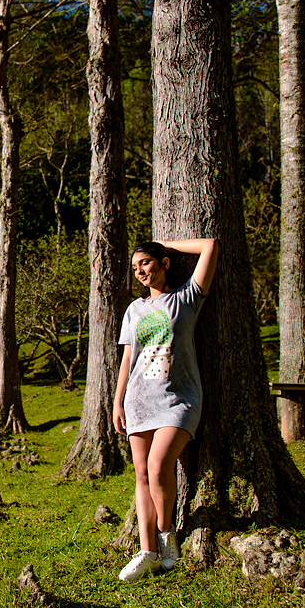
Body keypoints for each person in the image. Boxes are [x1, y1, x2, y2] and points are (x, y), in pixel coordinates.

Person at [112, 237, 218, 582]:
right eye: (135, 268)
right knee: (141, 476)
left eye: (146, 262)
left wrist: (164, 243)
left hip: (179, 400)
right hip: (139, 401)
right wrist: (117, 401)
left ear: (164, 263)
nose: (141, 271)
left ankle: (166, 532)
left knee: (158, 467)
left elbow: (210, 246)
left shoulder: (186, 298)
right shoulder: (134, 310)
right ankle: (148, 552)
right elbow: (129, 358)